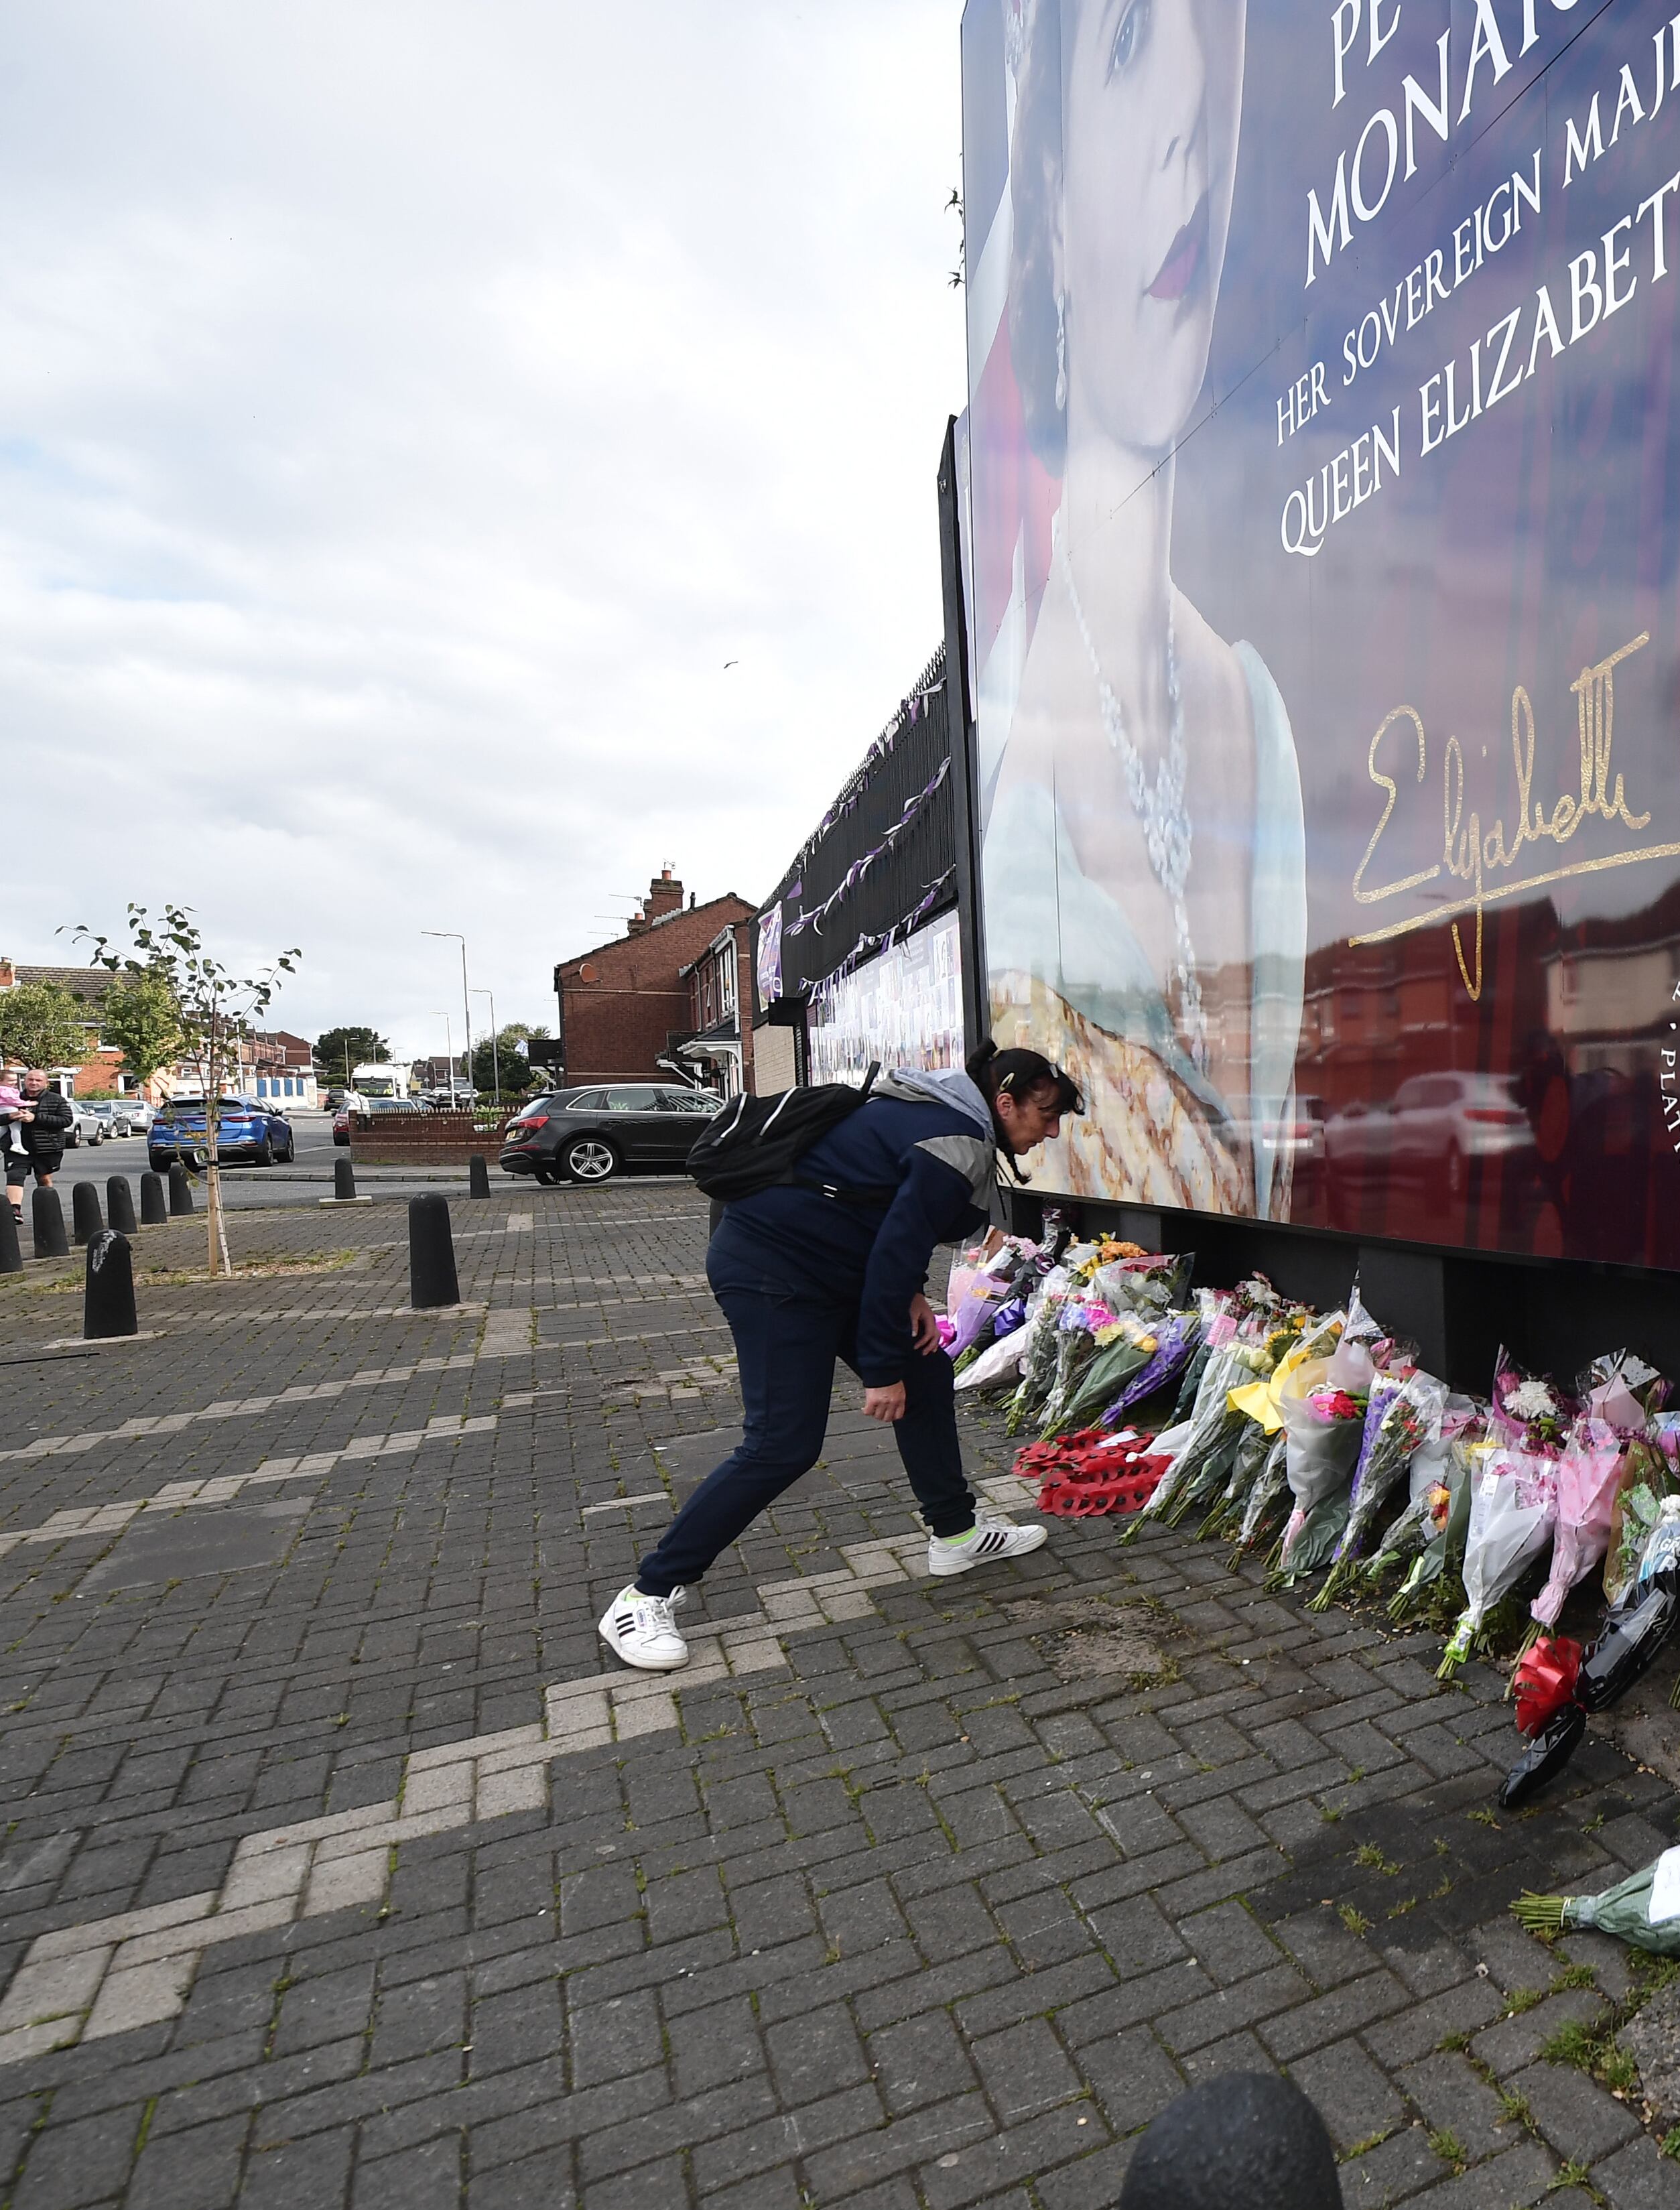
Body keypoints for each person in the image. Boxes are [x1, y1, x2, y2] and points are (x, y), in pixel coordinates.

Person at [979, 0, 1305, 1221]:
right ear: (1052, 207)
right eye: (1126, 43)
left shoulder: (1252, 713)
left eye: (1209, 38)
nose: (1189, 122)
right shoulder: (1021, 795)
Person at [597, 1047, 1084, 1671]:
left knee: (928, 1372)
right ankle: (647, 1593)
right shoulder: (957, 1138)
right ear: (1005, 1101)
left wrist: (909, 1299)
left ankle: (957, 1535)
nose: (1050, 1131)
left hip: (830, 1266)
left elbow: (880, 1214)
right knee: (783, 1443)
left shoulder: (937, 1113)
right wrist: (880, 1370)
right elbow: (892, 1247)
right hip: (774, 1271)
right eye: (1045, 1115)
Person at [17, 1076, 68, 1198]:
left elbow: (66, 1120)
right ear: (25, 1081)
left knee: (43, 1178)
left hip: (46, 1147)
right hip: (18, 1147)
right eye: (30, 1079)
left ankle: (48, 1207)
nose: (33, 1083)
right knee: (15, 1178)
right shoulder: (15, 1098)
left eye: (38, 1080)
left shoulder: (56, 1099)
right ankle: (15, 1211)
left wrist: (36, 1118)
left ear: (46, 1083)